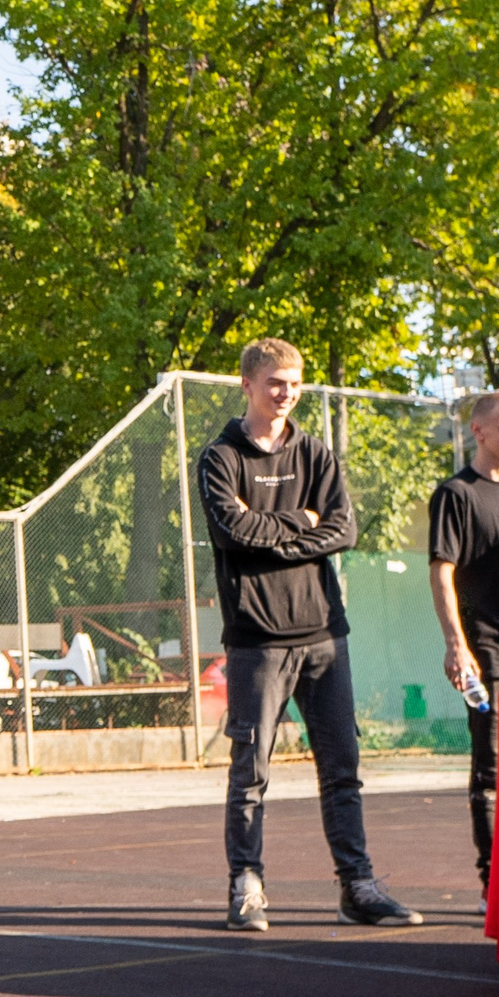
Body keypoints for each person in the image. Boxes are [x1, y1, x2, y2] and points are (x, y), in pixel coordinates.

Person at [198, 337, 421, 935]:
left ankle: (358, 888)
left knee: (342, 767)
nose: (286, 393)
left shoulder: (316, 453)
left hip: (325, 634)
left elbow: (343, 529)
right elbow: (233, 531)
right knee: (250, 771)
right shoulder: (221, 458)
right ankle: (246, 888)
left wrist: (276, 531)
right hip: (257, 640)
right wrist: (303, 523)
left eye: (294, 383)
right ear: (246, 384)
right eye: (275, 382)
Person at [426, 392, 499, 908]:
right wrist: (457, 643)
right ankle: (493, 882)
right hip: (487, 652)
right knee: (491, 769)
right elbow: (441, 571)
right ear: (477, 430)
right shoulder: (455, 494)